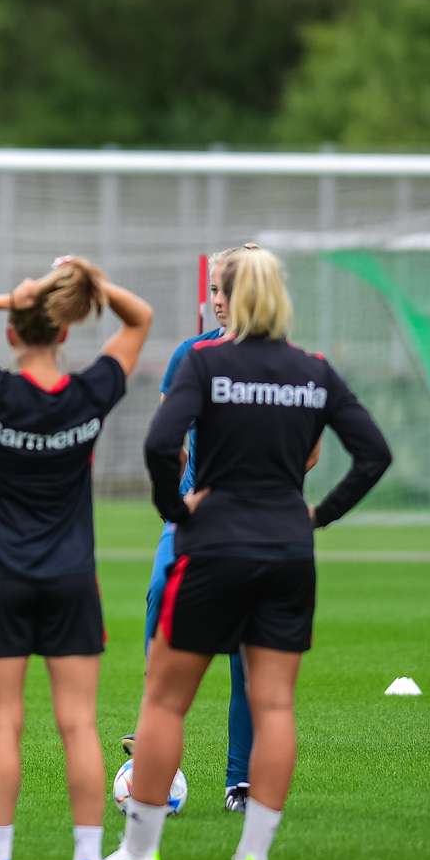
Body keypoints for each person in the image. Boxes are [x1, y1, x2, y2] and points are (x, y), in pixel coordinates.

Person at [105, 243, 391, 860]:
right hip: (287, 549)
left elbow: (157, 442)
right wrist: (317, 517)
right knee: (277, 707)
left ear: (233, 295)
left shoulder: (206, 363)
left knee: (165, 702)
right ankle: (253, 857)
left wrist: (177, 511)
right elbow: (373, 454)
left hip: (213, 544)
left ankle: (139, 854)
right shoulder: (313, 369)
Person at [0, 257, 152, 860]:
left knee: (2, 726)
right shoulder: (92, 392)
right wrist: (91, 281)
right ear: (67, 333)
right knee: (77, 723)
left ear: (15, 335)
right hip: (72, 578)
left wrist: (8, 298)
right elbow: (141, 319)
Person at [120, 255, 264, 813]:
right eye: (213, 289)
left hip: (255, 521)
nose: (219, 298)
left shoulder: (286, 362)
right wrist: (177, 498)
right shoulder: (190, 354)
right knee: (161, 594)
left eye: (227, 288)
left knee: (250, 650)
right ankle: (153, 740)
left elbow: (309, 451)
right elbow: (167, 437)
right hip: (192, 517)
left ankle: (242, 781)